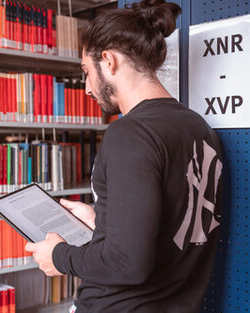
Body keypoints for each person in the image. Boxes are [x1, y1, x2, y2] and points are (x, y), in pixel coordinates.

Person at [25, 1, 223, 312]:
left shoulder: (129, 133)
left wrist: (59, 256)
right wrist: (102, 220)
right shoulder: (199, 128)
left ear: (108, 61)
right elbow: (174, 223)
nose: (88, 88)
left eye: (86, 72)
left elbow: (127, 263)